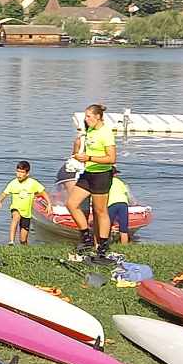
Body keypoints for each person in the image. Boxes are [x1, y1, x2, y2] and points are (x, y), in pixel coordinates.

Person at [64, 103, 118, 254]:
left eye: (88, 116)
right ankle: (86, 237)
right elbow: (79, 153)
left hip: (101, 175)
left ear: (98, 117)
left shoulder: (105, 133)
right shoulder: (90, 131)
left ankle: (102, 245)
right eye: (85, 116)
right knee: (71, 203)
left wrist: (89, 157)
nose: (86, 120)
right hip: (88, 173)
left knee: (100, 211)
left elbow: (112, 158)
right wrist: (78, 151)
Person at [0, 161, 49, 244]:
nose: (19, 174)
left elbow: (43, 192)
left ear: (27, 174)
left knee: (23, 240)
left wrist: (49, 204)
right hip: (16, 208)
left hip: (27, 213)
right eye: (18, 171)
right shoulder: (13, 183)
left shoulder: (33, 183)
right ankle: (11, 241)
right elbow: (4, 193)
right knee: (16, 216)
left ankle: (26, 250)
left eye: (22, 172)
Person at [107, 174, 134, 244]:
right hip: (123, 203)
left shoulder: (105, 181)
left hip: (111, 203)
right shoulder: (120, 182)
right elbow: (128, 194)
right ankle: (124, 245)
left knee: (107, 226)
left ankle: (106, 244)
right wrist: (133, 204)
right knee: (123, 227)